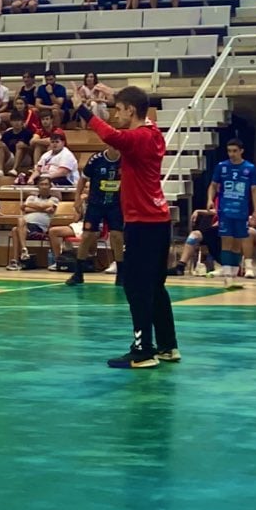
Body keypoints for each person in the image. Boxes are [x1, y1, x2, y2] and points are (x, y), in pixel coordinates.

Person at [84, 84, 177, 368]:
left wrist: (81, 109)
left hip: (143, 223)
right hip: (159, 222)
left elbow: (110, 135)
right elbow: (135, 110)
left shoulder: (137, 138)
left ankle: (143, 350)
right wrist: (116, 96)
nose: (115, 115)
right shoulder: (153, 133)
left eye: (119, 110)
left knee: (136, 286)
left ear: (131, 111)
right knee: (155, 286)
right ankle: (167, 346)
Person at [62, 141, 124, 285]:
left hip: (115, 204)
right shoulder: (96, 160)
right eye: (114, 146)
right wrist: (77, 198)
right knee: (88, 235)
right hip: (96, 204)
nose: (116, 149)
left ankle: (121, 273)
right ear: (108, 146)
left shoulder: (125, 161)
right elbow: (83, 179)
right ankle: (78, 273)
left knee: (117, 236)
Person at [210, 138, 256, 280]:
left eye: (234, 151)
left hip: (241, 210)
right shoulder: (222, 166)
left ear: (241, 151)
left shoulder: (250, 168)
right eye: (229, 151)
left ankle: (235, 268)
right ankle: (226, 269)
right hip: (225, 210)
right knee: (226, 239)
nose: (231, 154)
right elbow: (213, 185)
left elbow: (254, 190)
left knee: (239, 240)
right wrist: (210, 200)